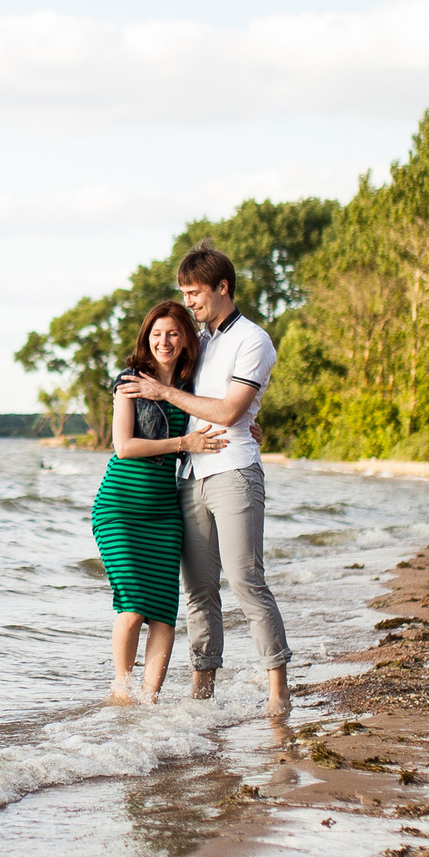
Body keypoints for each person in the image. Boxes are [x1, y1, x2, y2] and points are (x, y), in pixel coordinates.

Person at [123, 242, 292, 714]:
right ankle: (203, 688)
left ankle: (278, 686)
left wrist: (164, 393)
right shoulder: (202, 342)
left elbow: (231, 409)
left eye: (195, 292)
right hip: (190, 476)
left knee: (245, 580)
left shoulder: (253, 339)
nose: (190, 301)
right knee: (198, 591)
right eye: (185, 292)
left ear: (223, 288)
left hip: (234, 472)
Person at [89, 300, 227, 703]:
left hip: (166, 510)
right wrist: (184, 442)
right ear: (146, 339)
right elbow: (125, 446)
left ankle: (148, 700)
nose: (163, 341)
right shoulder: (129, 381)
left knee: (164, 613)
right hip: (121, 504)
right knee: (132, 606)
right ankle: (121, 689)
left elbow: (221, 414)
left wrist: (248, 425)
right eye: (156, 334)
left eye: (172, 334)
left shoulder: (193, 387)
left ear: (185, 339)